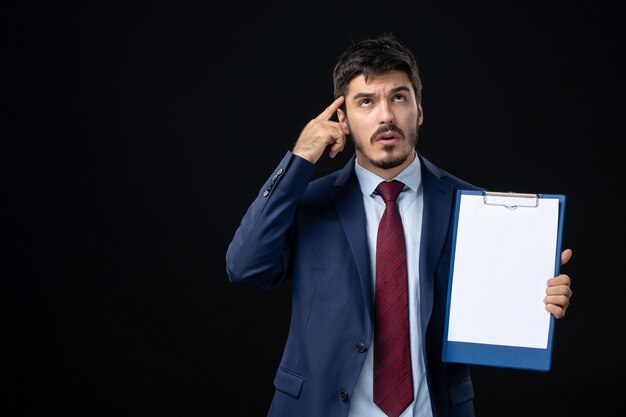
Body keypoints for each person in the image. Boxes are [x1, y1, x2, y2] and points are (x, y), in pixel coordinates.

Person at [225, 33, 573, 417]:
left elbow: (503, 307)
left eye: (399, 98)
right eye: (366, 102)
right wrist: (300, 158)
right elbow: (245, 267)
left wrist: (538, 298)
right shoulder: (309, 204)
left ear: (419, 110)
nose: (385, 115)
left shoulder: (475, 209)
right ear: (342, 119)